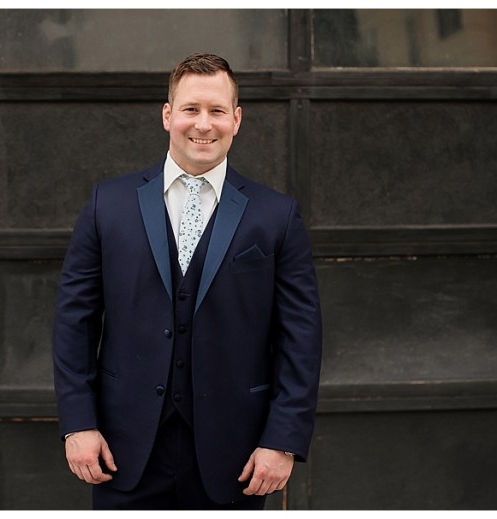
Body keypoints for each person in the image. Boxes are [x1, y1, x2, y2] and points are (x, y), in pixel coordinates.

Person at [52, 53, 322, 510]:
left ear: (236, 120)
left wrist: (283, 440)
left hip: (237, 454)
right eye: (191, 109)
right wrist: (79, 424)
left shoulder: (276, 215)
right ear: (167, 115)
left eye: (217, 110)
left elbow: (301, 336)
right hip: (123, 449)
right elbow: (73, 319)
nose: (204, 124)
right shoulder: (107, 204)